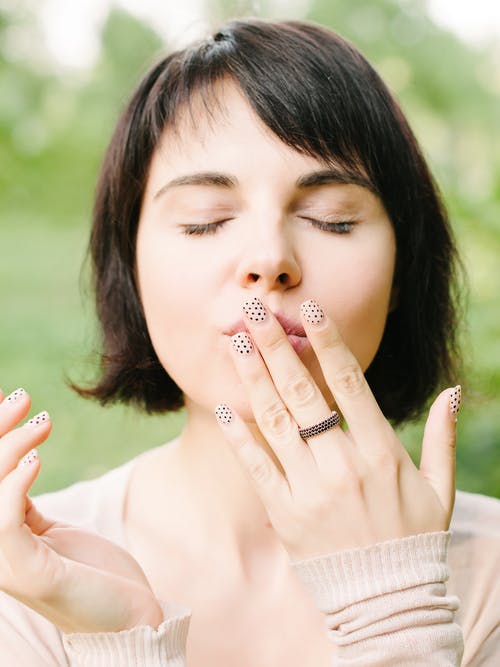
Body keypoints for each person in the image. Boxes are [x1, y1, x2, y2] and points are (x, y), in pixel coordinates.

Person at [0, 17, 498, 666]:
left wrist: (398, 604)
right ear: (132, 265)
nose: (269, 258)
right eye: (206, 222)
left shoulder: (488, 571)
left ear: (403, 271)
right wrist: (120, 636)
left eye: (332, 220)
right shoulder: (31, 576)